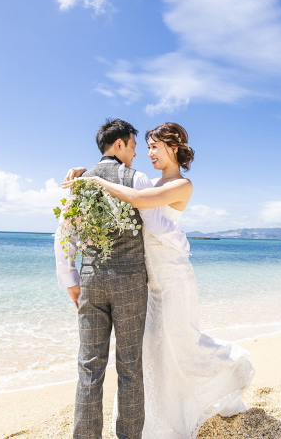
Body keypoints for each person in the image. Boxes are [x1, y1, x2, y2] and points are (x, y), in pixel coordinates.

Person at [63, 122, 254, 439]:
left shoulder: (182, 185)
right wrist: (83, 171)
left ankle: (232, 364)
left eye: (155, 147)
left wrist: (93, 179)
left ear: (174, 148)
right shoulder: (148, 181)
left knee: (181, 346)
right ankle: (157, 422)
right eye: (147, 146)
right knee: (155, 353)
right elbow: (125, 185)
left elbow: (136, 198)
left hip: (173, 276)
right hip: (147, 280)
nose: (148, 153)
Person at [55, 118, 170, 439]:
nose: (135, 155)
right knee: (130, 367)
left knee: (89, 366)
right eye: (133, 147)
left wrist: (70, 278)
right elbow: (157, 227)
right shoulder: (137, 178)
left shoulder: (80, 181)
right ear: (119, 144)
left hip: (91, 279)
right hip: (131, 281)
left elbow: (65, 234)